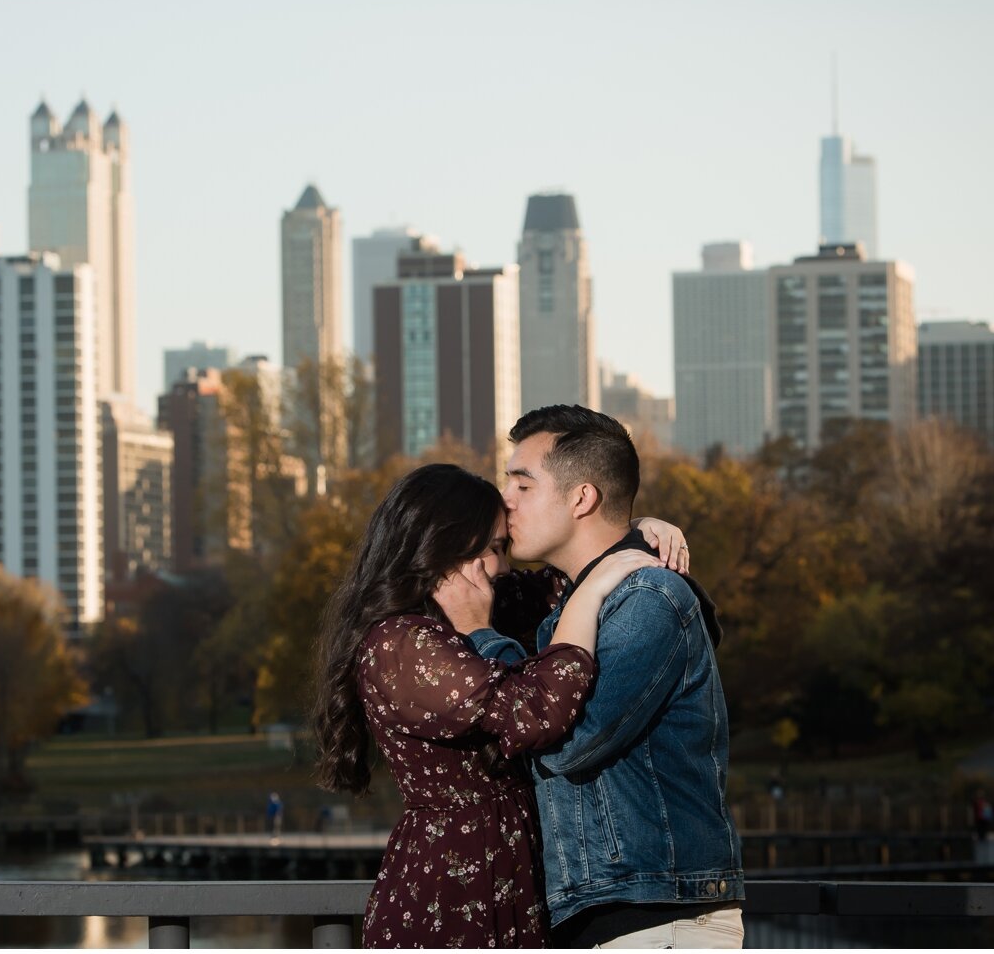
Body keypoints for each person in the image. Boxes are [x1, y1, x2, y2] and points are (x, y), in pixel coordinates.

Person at [312, 462, 677, 947]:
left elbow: (560, 579)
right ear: (447, 550)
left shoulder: (455, 623)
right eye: (495, 549)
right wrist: (588, 598)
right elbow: (536, 711)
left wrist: (632, 532)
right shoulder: (401, 644)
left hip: (505, 875)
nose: (505, 566)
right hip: (453, 890)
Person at [470, 405, 744, 948]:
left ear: (582, 498)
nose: (505, 501)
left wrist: (476, 630)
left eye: (522, 485)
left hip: (655, 916)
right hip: (612, 912)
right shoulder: (576, 604)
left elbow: (567, 741)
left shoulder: (648, 598)